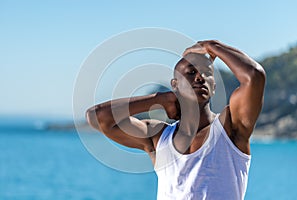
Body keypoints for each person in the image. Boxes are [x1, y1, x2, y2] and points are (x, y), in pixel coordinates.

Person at [86, 40, 266, 200]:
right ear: (175, 85)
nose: (199, 77)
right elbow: (97, 117)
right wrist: (159, 99)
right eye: (191, 72)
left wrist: (213, 46)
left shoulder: (230, 127)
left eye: (206, 73)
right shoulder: (158, 137)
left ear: (214, 87)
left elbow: (254, 76)